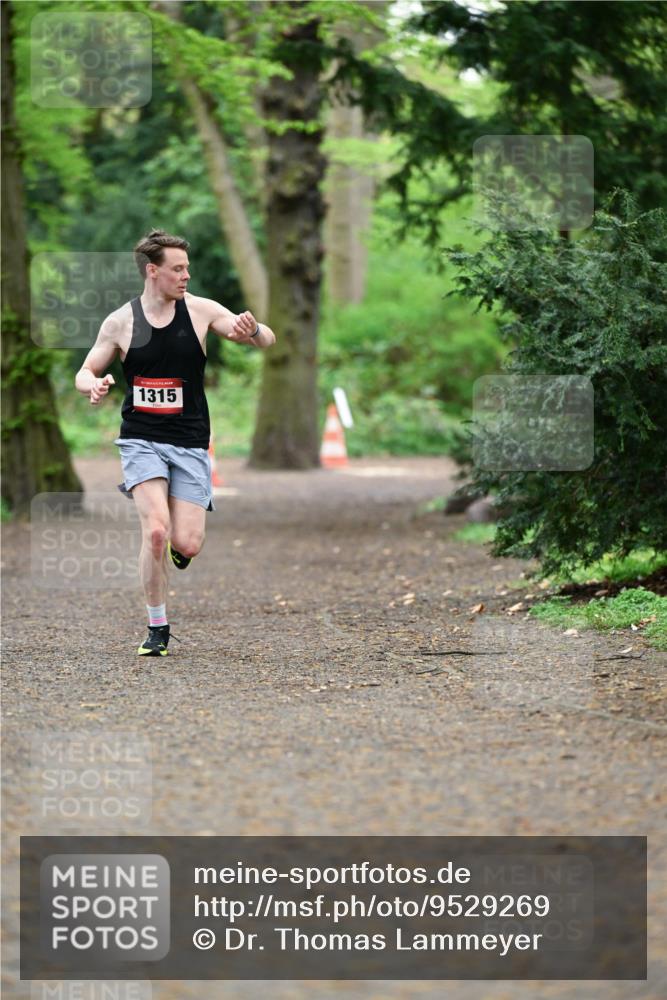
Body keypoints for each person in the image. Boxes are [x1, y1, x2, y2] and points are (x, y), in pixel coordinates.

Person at [75, 229, 276, 657]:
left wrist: (255, 329)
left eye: (187, 268)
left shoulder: (201, 311)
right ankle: (157, 627)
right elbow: (85, 370)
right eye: (178, 269)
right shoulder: (121, 322)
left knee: (187, 543)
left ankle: (178, 548)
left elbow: (264, 339)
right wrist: (91, 384)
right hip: (141, 440)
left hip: (189, 441)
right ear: (153, 271)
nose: (186, 276)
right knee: (155, 532)